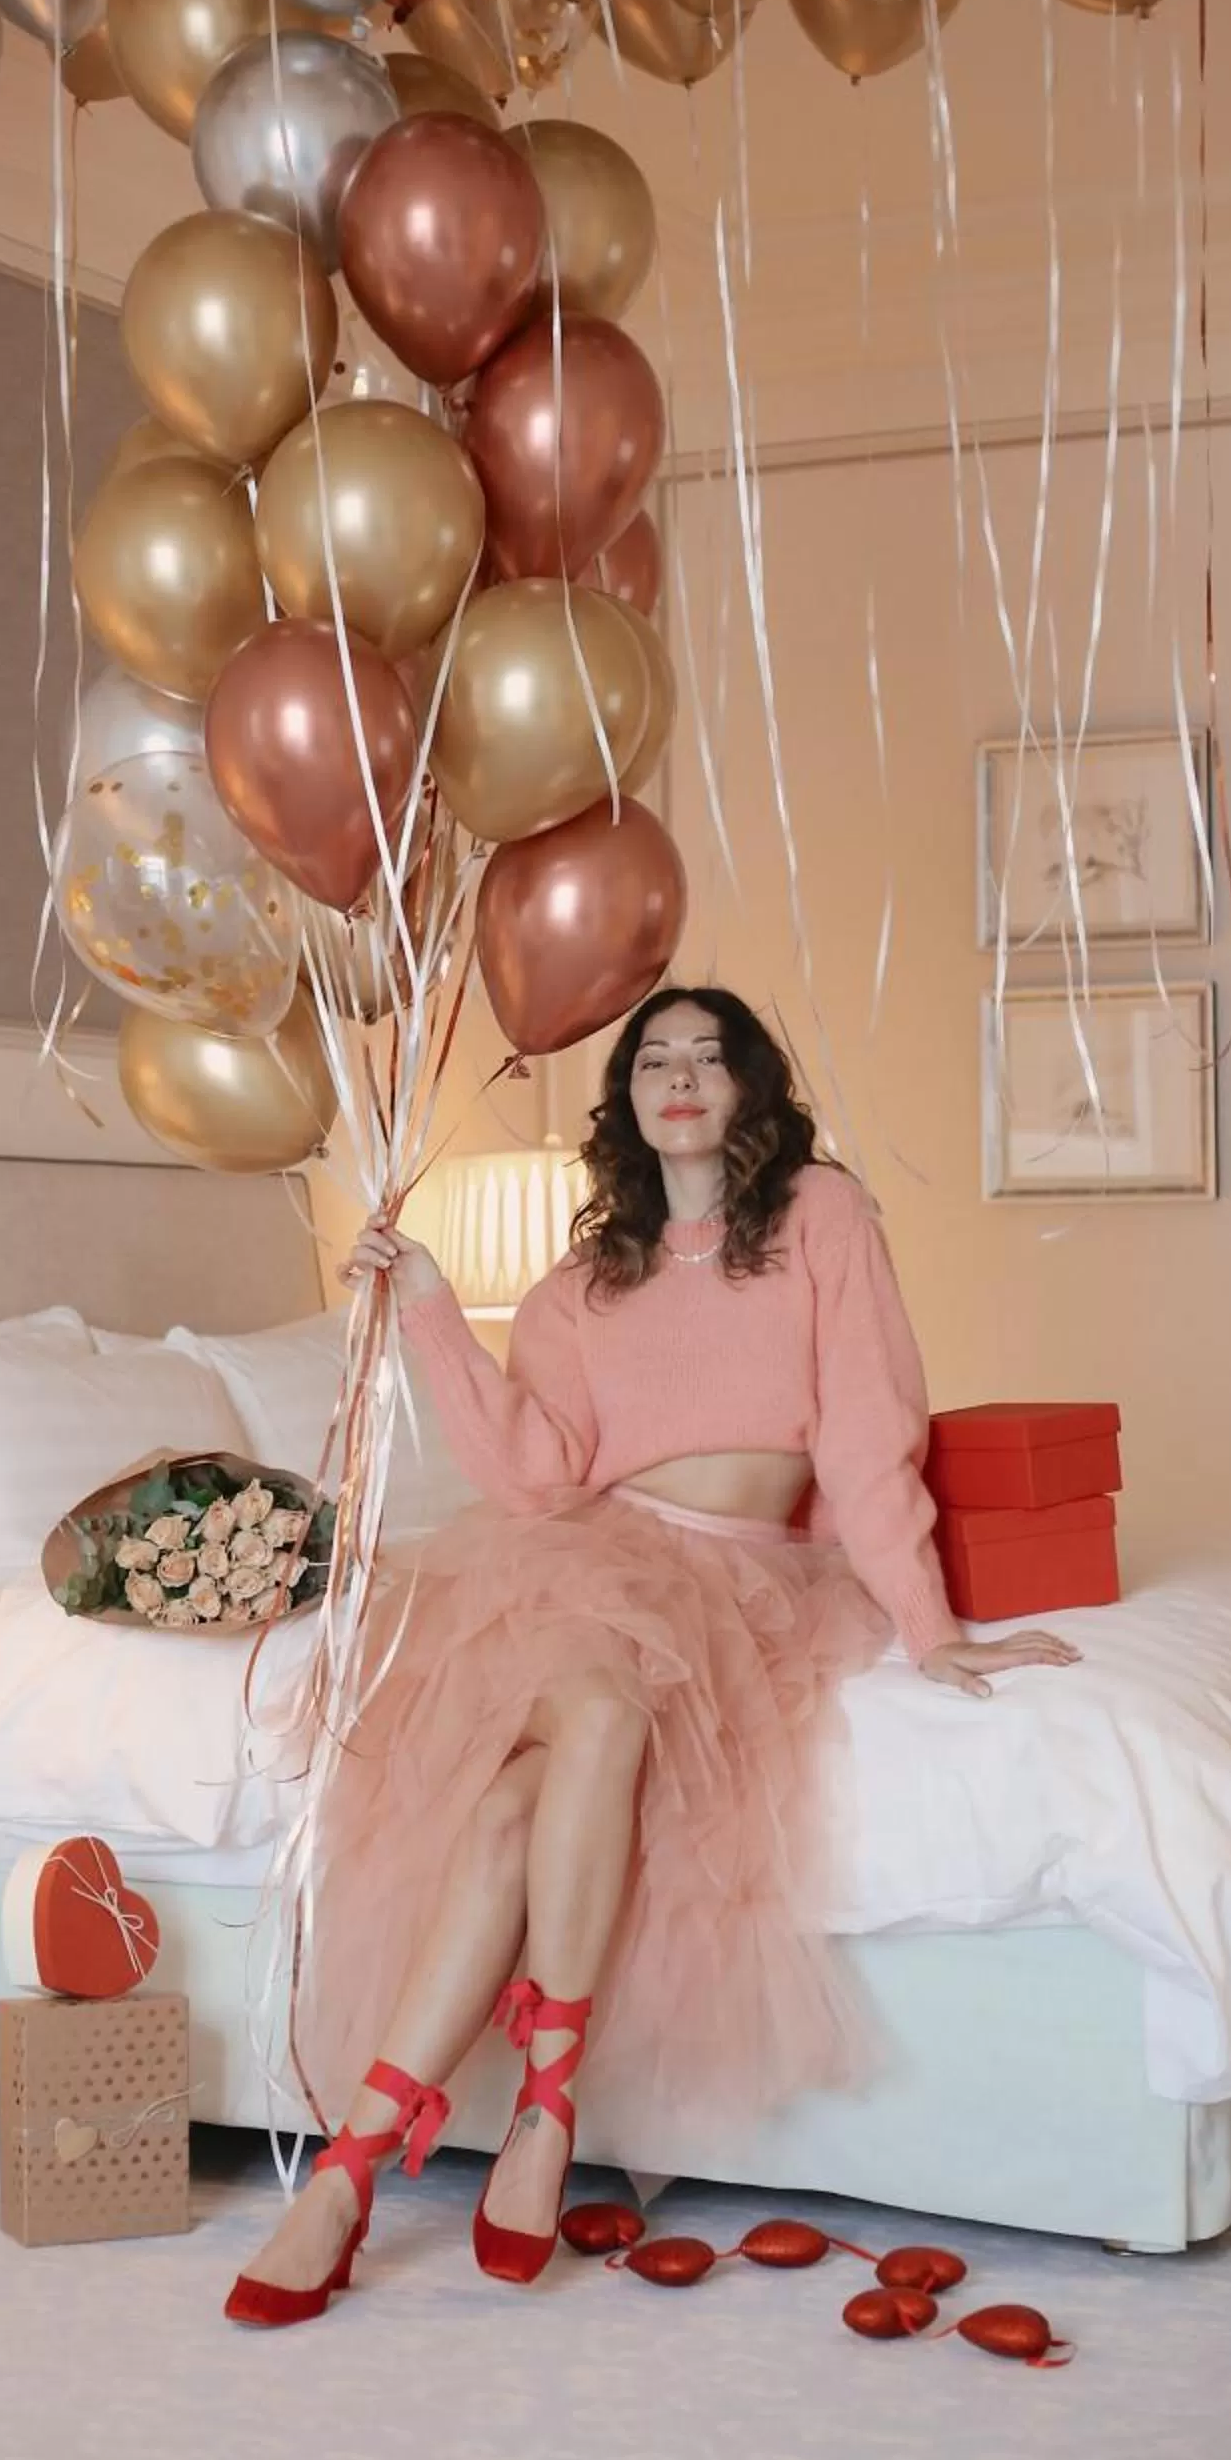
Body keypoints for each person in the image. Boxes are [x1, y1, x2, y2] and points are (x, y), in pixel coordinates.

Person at [227, 987, 1079, 2328]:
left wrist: (929, 1629)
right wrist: (432, 1306)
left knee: (513, 1811)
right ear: (625, 1098)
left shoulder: (822, 1218)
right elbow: (533, 1473)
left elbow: (869, 1431)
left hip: (744, 1583)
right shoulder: (582, 1286)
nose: (679, 1078)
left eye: (707, 1058)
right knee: (601, 1717)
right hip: (593, 1561)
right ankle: (522, 2107)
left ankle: (362, 2162)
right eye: (653, 1061)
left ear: (749, 1088)